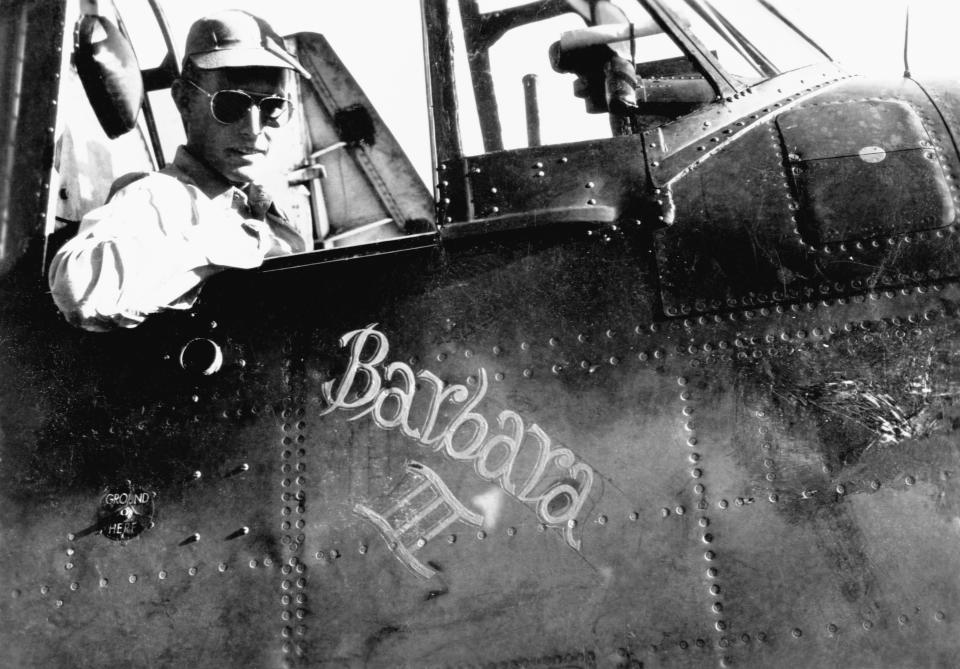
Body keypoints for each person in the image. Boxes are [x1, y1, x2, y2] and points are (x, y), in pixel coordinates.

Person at [49, 10, 313, 331]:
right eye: (231, 104)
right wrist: (224, 241)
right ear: (184, 100)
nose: (254, 129)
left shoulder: (262, 210)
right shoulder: (159, 197)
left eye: (272, 106)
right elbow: (76, 287)